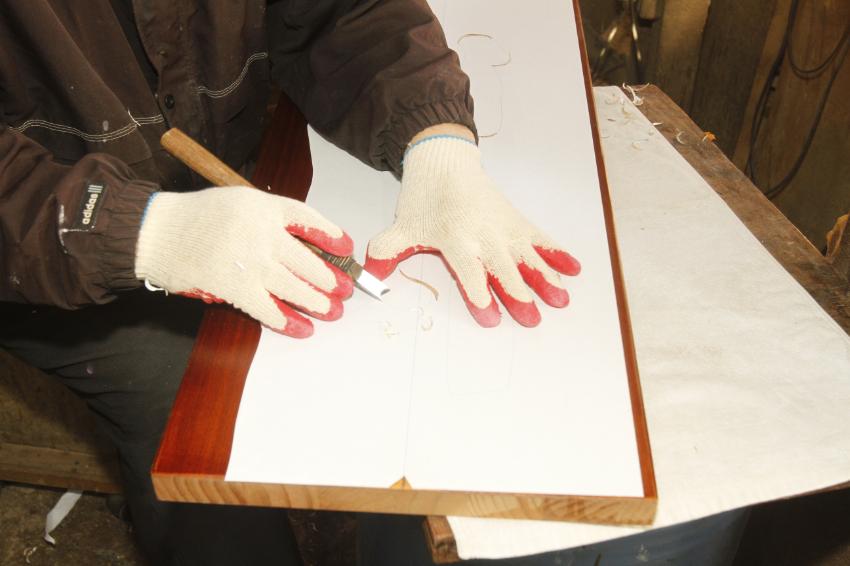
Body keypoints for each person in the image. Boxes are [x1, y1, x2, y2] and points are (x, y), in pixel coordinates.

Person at [0, 1, 746, 564]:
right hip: (43, 242)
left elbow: (347, 11)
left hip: (226, 172)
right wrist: (143, 232)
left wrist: (436, 141)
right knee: (190, 406)